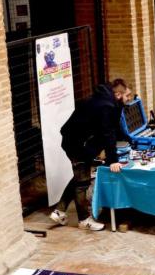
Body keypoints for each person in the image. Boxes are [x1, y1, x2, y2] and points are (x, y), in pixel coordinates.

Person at [49, 78, 130, 231]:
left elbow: (111, 128)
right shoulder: (106, 106)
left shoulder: (108, 102)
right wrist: (113, 160)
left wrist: (127, 139)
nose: (129, 99)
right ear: (118, 94)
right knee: (82, 182)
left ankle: (59, 210)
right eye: (127, 95)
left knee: (79, 176)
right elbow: (108, 133)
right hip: (77, 145)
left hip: (78, 142)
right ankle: (84, 220)